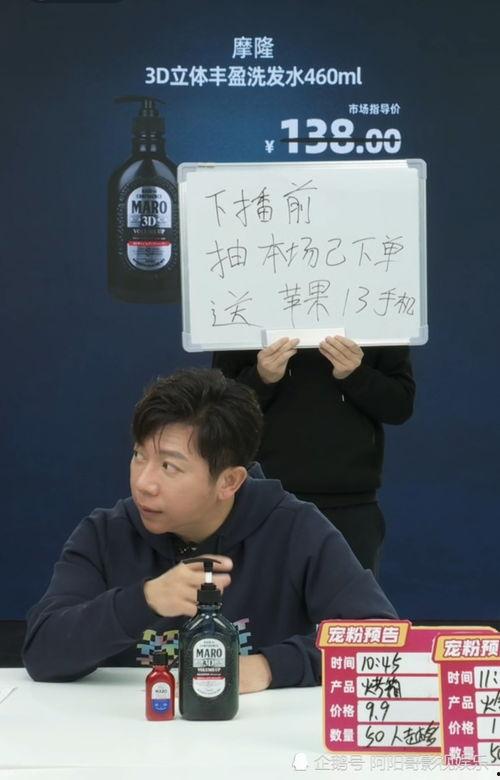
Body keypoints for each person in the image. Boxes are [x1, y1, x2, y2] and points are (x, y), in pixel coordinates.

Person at [23, 368, 397, 690]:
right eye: (139, 456)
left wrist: (269, 667)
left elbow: (380, 638)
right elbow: (42, 652)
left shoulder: (295, 529)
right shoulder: (105, 533)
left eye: (169, 467)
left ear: (229, 481)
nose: (144, 483)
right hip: (132, 732)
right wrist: (145, 600)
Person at [213, 335, 415, 573]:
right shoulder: (240, 323)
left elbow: (400, 405)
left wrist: (357, 375)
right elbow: (217, 411)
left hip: (350, 503)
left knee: (349, 596)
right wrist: (261, 378)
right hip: (261, 500)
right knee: (260, 596)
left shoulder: (381, 323)